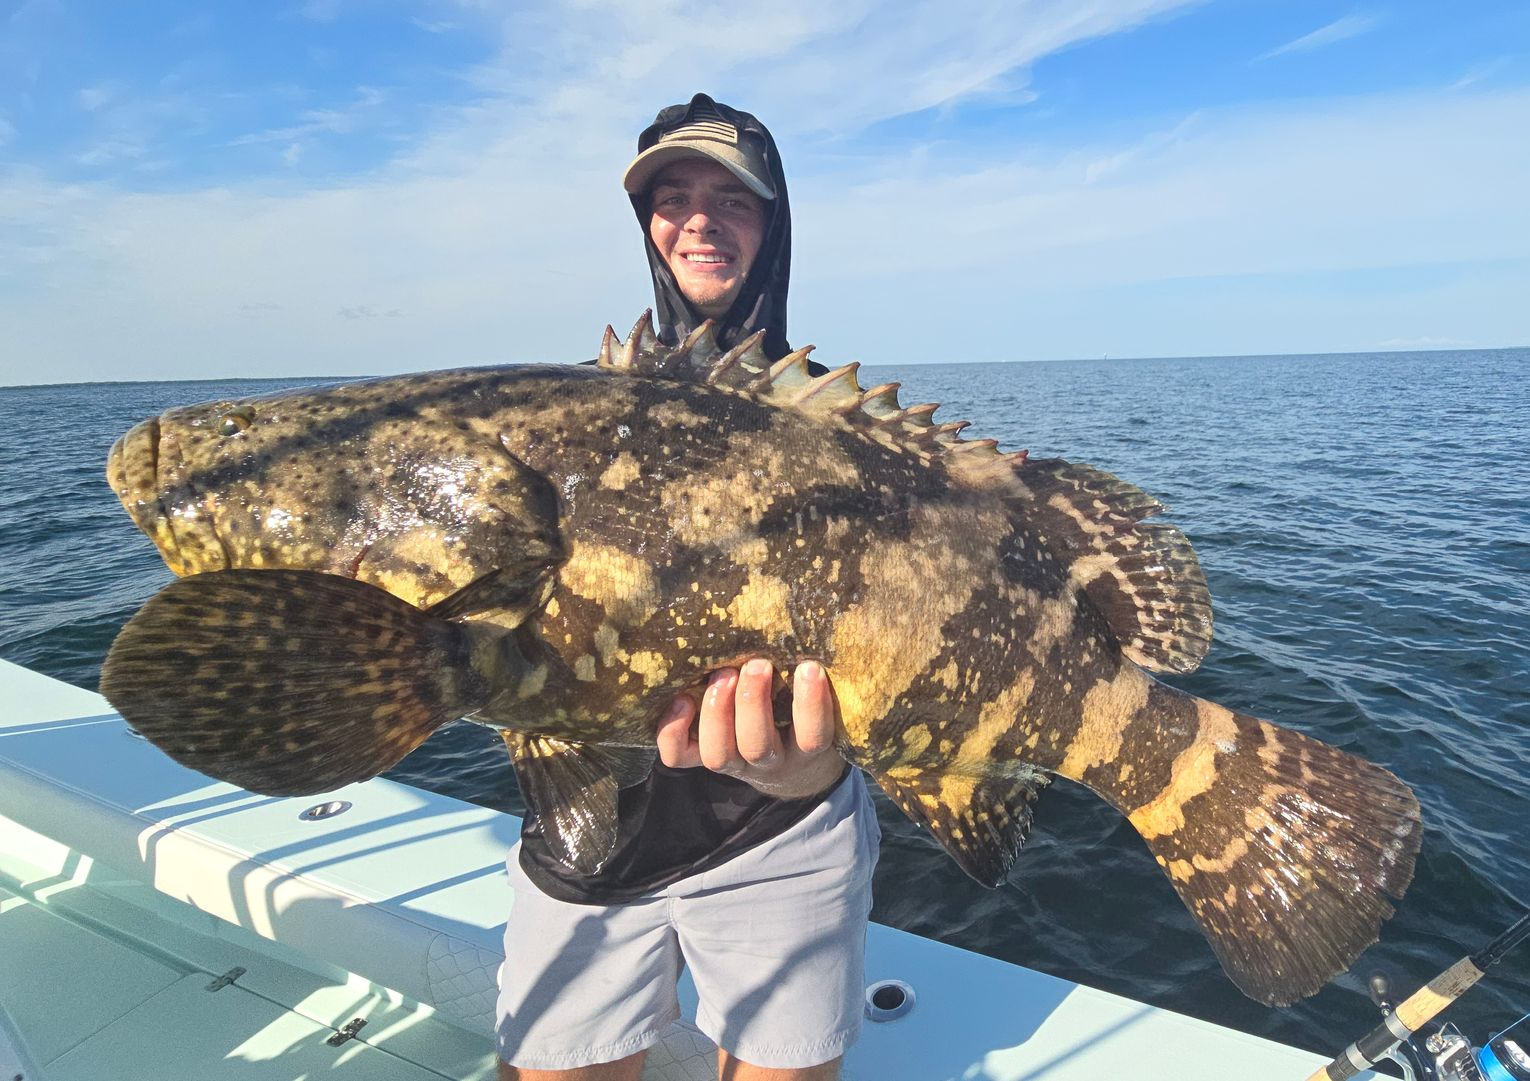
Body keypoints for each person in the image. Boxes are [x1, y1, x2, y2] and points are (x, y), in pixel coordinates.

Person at [495, 95, 880, 1081]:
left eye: (731, 199)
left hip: (781, 832)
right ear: (647, 226)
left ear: (775, 219)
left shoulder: (848, 431)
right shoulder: (569, 419)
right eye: (673, 198)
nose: (699, 220)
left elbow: (895, 648)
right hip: (591, 842)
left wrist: (815, 767)